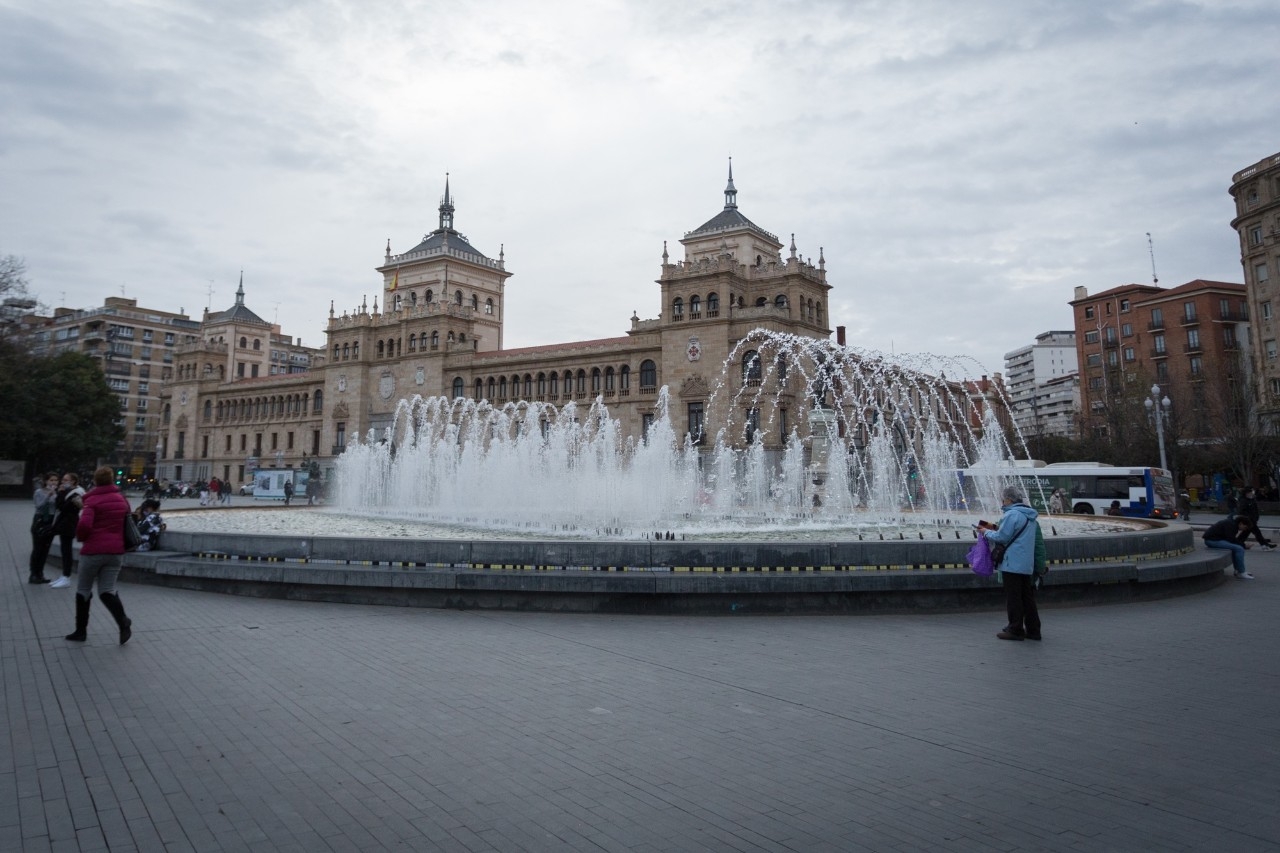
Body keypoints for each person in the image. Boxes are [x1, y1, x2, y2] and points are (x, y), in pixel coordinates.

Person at [66, 466, 133, 644]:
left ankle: (81, 632)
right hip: (116, 552)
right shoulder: (122, 499)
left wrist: (82, 538)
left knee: (83, 590)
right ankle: (123, 621)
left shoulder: (92, 501)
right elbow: (128, 519)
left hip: (93, 551)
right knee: (107, 590)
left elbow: (85, 526)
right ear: (112, 480)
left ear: (95, 481)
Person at [980, 485, 1042, 641]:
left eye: (1003, 498)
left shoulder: (1012, 514)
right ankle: (1034, 630)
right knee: (1027, 597)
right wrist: (995, 528)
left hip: (1012, 563)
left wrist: (985, 531)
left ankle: (1015, 629)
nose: (1002, 501)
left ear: (1009, 499)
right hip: (1026, 563)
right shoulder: (1029, 516)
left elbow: (1002, 537)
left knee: (1013, 597)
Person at [48, 473, 85, 589]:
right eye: (63, 480)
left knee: (66, 550)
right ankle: (64, 575)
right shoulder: (69, 492)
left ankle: (66, 576)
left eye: (66, 480)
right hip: (65, 524)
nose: (63, 482)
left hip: (69, 524)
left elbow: (62, 507)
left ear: (73, 481)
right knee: (64, 550)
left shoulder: (77, 493)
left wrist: (61, 493)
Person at [28, 473, 59, 584]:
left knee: (45, 549)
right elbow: (39, 506)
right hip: (40, 520)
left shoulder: (57, 494)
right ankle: (33, 574)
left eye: (55, 480)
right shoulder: (39, 492)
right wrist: (48, 495)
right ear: (46, 481)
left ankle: (40, 573)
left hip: (50, 521)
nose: (53, 482)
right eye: (51, 480)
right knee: (37, 549)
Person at [1203, 516, 1255, 580]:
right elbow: (1231, 539)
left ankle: (1238, 570)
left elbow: (1231, 539)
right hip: (1212, 541)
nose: (1244, 529)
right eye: (1245, 527)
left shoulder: (1232, 524)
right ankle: (1241, 572)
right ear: (1241, 523)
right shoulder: (1231, 525)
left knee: (1236, 548)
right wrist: (1244, 545)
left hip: (1216, 539)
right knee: (1239, 549)